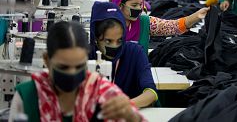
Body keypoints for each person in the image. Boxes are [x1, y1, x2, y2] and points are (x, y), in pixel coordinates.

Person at [9, 21, 143, 122]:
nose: (72, 73)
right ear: (47, 60)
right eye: (63, 67)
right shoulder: (27, 96)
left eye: (79, 66)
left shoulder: (103, 93)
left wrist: (132, 117)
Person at [89, 2, 158, 108]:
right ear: (96, 38)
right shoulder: (86, 55)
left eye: (120, 40)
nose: (115, 46)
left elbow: (151, 93)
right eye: (108, 41)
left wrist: (124, 106)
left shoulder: (135, 52)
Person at [111, 0, 209, 52]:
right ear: (120, 5)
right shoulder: (107, 26)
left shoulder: (144, 22)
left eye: (140, 4)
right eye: (134, 5)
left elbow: (173, 26)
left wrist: (197, 16)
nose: (138, 9)